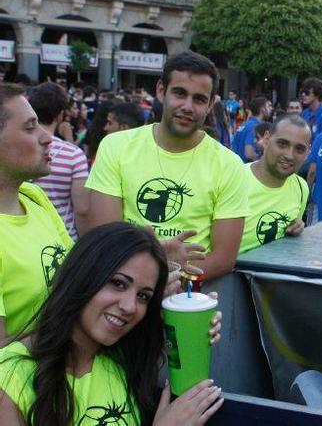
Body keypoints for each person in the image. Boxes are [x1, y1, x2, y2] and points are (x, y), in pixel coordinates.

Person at [0, 222, 223, 426]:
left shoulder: (122, 358)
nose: (129, 306)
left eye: (143, 296)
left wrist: (192, 326)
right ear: (83, 276)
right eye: (117, 283)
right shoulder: (10, 376)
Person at [85, 51, 249, 283]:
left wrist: (170, 281)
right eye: (179, 93)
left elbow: (223, 258)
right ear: (161, 91)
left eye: (199, 99)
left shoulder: (229, 164)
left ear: (211, 104)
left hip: (189, 300)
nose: (187, 106)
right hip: (122, 289)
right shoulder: (116, 146)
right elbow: (105, 238)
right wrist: (155, 273)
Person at [0, 83, 74, 341]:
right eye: (30, 127)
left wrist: (142, 256)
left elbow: (76, 273)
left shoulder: (34, 196)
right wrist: (77, 331)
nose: (47, 137)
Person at [240, 115, 311, 253]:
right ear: (266, 139)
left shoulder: (301, 187)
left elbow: (292, 226)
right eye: (282, 144)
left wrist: (296, 228)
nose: (289, 155)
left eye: (299, 149)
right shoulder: (234, 179)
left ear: (308, 152)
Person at [29, 82, 91, 240]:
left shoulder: (17, 148)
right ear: (61, 114)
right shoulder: (74, 155)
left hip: (26, 236)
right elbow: (82, 209)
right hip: (63, 238)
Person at [231, 96, 271, 163]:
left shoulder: (245, 124)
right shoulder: (254, 126)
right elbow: (249, 153)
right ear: (262, 109)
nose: (271, 108)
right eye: (268, 106)